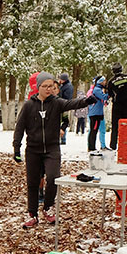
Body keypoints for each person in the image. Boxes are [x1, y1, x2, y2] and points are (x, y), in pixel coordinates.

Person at [13, 72, 95, 228]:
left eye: (51, 86)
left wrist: (87, 101)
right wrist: (16, 148)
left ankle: (48, 207)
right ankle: (32, 214)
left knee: (53, 177)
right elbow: (19, 127)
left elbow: (72, 103)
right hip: (33, 150)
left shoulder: (57, 103)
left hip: (52, 148)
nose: (48, 89)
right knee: (33, 182)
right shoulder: (29, 105)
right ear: (38, 88)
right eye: (45, 86)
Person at [106, 63, 127, 150]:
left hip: (116, 106)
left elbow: (110, 94)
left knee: (115, 127)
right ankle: (126, 144)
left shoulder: (111, 81)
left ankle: (113, 146)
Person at [86, 76, 107, 152]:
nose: (105, 83)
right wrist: (110, 94)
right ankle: (91, 147)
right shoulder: (97, 90)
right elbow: (104, 97)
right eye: (104, 81)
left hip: (97, 113)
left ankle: (92, 146)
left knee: (94, 130)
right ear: (100, 82)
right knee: (93, 130)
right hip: (95, 114)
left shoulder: (98, 89)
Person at [57, 73, 73, 144]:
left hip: (64, 106)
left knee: (64, 121)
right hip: (63, 106)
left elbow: (66, 97)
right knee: (63, 121)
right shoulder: (64, 86)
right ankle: (62, 138)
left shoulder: (67, 87)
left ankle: (63, 138)